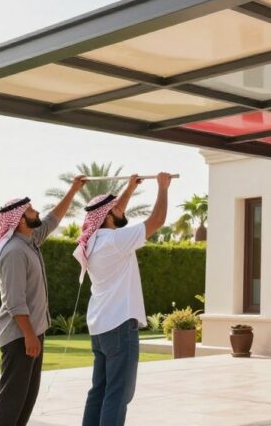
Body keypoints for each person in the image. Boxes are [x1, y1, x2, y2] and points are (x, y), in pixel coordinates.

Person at [0, 176, 86, 426]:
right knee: (12, 399)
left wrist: (73, 190)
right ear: (20, 219)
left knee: (26, 398)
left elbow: (52, 219)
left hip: (31, 332)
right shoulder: (14, 252)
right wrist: (29, 336)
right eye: (30, 209)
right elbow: (14, 301)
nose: (36, 211)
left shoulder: (29, 241)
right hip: (20, 335)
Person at [75, 173, 172, 426]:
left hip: (100, 327)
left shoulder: (95, 240)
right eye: (117, 208)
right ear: (108, 216)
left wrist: (129, 189)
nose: (121, 209)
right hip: (119, 326)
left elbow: (114, 213)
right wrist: (162, 187)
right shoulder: (116, 241)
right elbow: (158, 220)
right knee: (119, 394)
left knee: (100, 390)